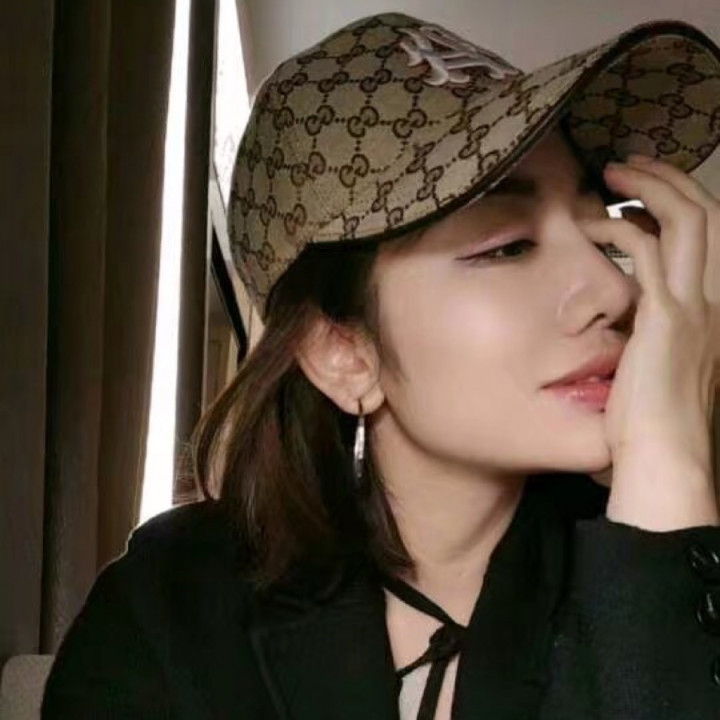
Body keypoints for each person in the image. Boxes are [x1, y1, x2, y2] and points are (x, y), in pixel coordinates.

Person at [42, 12, 720, 720]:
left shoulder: (675, 557)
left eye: (600, 234)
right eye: (508, 246)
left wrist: (670, 472)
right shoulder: (170, 610)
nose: (614, 292)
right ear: (343, 353)